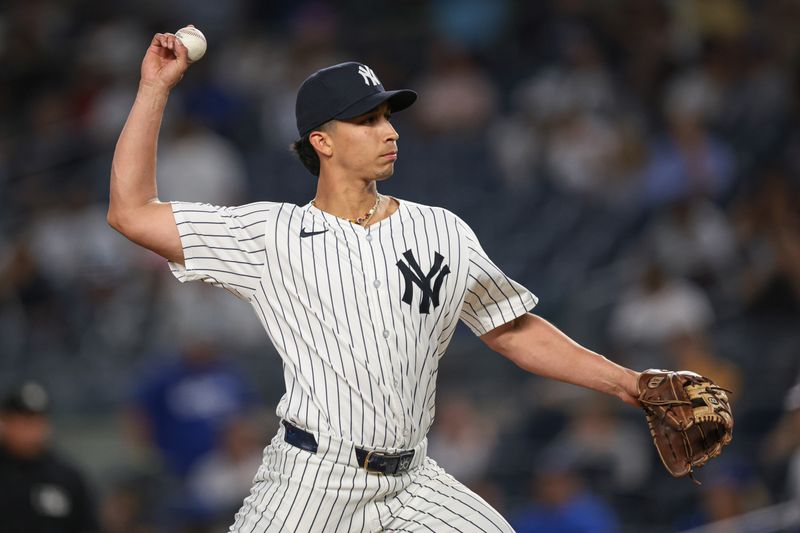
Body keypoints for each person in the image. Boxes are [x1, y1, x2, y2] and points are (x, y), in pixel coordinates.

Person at [107, 30, 641, 532]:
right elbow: (131, 212)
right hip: (312, 483)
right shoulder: (271, 234)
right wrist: (155, 87)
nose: (389, 130)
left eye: (387, 115)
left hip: (413, 484)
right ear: (323, 141)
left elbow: (512, 328)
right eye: (366, 120)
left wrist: (630, 384)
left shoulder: (442, 229)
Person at [0, 381, 99, 533]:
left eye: (38, 420)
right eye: (24, 421)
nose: (32, 430)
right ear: (5, 421)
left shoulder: (67, 478)